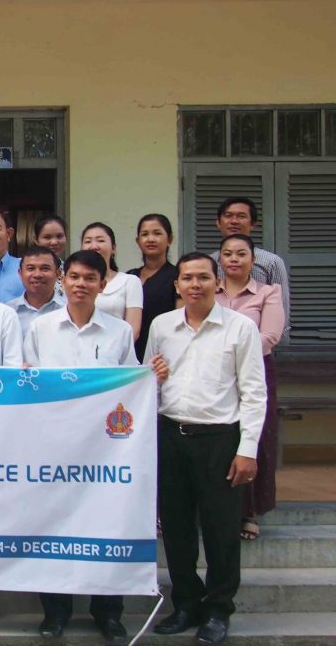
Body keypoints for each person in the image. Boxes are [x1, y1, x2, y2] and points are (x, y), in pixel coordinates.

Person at [24, 250, 158, 643]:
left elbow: (132, 389)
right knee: (52, 527)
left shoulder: (118, 332)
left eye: (91, 278)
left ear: (103, 285)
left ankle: (108, 612)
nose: (81, 284)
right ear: (63, 280)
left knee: (107, 525)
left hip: (105, 453)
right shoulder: (40, 329)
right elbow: (31, 387)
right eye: (75, 276)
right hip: (53, 448)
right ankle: (55, 611)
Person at [146, 253, 266, 645]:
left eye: (202, 277)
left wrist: (247, 449)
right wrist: (154, 376)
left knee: (221, 530)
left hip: (220, 439)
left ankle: (217, 609)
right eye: (186, 278)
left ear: (216, 282)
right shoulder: (162, 325)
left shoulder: (241, 328)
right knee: (177, 529)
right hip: (171, 435)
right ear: (177, 285)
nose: (194, 284)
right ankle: (185, 604)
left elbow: (253, 393)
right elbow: (147, 382)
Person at [216, 234, 285, 541]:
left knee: (254, 438)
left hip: (255, 368)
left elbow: (269, 336)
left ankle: (250, 512)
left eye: (241, 254)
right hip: (214, 374)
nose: (234, 259)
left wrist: (231, 351)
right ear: (220, 259)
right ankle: (219, 509)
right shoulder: (210, 289)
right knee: (220, 439)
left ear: (253, 260)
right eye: (228, 253)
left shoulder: (268, 292)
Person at [209, 197, 291, 324]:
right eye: (228, 215)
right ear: (218, 222)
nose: (234, 221)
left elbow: (282, 309)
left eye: (241, 216)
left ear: (253, 224)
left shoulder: (272, 262)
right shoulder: (208, 263)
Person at [128, 213, 180, 361]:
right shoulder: (130, 277)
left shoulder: (177, 276)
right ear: (138, 241)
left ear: (169, 239)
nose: (150, 239)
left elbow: (180, 318)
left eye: (157, 233)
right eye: (145, 234)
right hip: (130, 354)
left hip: (163, 353)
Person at [81, 222, 143, 341]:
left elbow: (133, 331)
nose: (94, 246)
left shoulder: (130, 281)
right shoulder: (75, 283)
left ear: (113, 248)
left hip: (116, 353)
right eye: (88, 241)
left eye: (100, 240)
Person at [7, 245, 66, 337]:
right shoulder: (8, 312)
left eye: (45, 268)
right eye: (31, 268)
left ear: (58, 274)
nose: (37, 274)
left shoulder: (68, 310)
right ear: (20, 273)